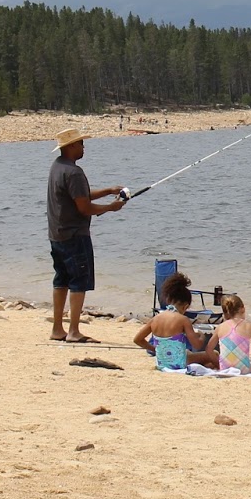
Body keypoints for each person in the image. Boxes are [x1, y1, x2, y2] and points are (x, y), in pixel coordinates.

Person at [46, 127, 125, 343]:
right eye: (80, 143)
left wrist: (108, 190)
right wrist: (110, 207)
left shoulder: (58, 167)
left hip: (57, 234)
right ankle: (73, 331)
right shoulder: (74, 172)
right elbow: (84, 207)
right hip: (74, 235)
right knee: (78, 281)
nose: (83, 147)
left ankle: (57, 329)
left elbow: (79, 195)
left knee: (61, 280)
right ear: (71, 146)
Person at [133, 272, 214, 368]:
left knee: (207, 363)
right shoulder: (183, 320)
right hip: (180, 363)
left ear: (169, 300)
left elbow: (137, 340)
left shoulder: (155, 319)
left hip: (162, 363)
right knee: (214, 354)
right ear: (186, 306)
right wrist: (201, 337)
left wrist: (155, 349)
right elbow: (196, 345)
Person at [205, 294, 251, 372]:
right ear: (243, 309)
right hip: (243, 369)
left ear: (225, 313)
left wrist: (217, 363)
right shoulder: (249, 326)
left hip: (225, 368)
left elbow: (209, 349)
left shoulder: (220, 328)